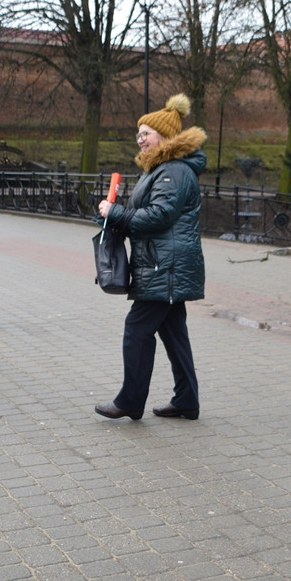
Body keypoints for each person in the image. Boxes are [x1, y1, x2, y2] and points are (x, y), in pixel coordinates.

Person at [94, 94, 207, 421]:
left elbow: (159, 216)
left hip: (165, 266)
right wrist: (113, 216)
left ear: (165, 136)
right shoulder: (164, 169)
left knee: (137, 329)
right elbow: (150, 214)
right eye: (139, 133)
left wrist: (116, 213)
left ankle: (130, 400)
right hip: (165, 263)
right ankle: (187, 400)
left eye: (146, 132)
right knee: (174, 333)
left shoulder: (172, 170)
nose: (140, 138)